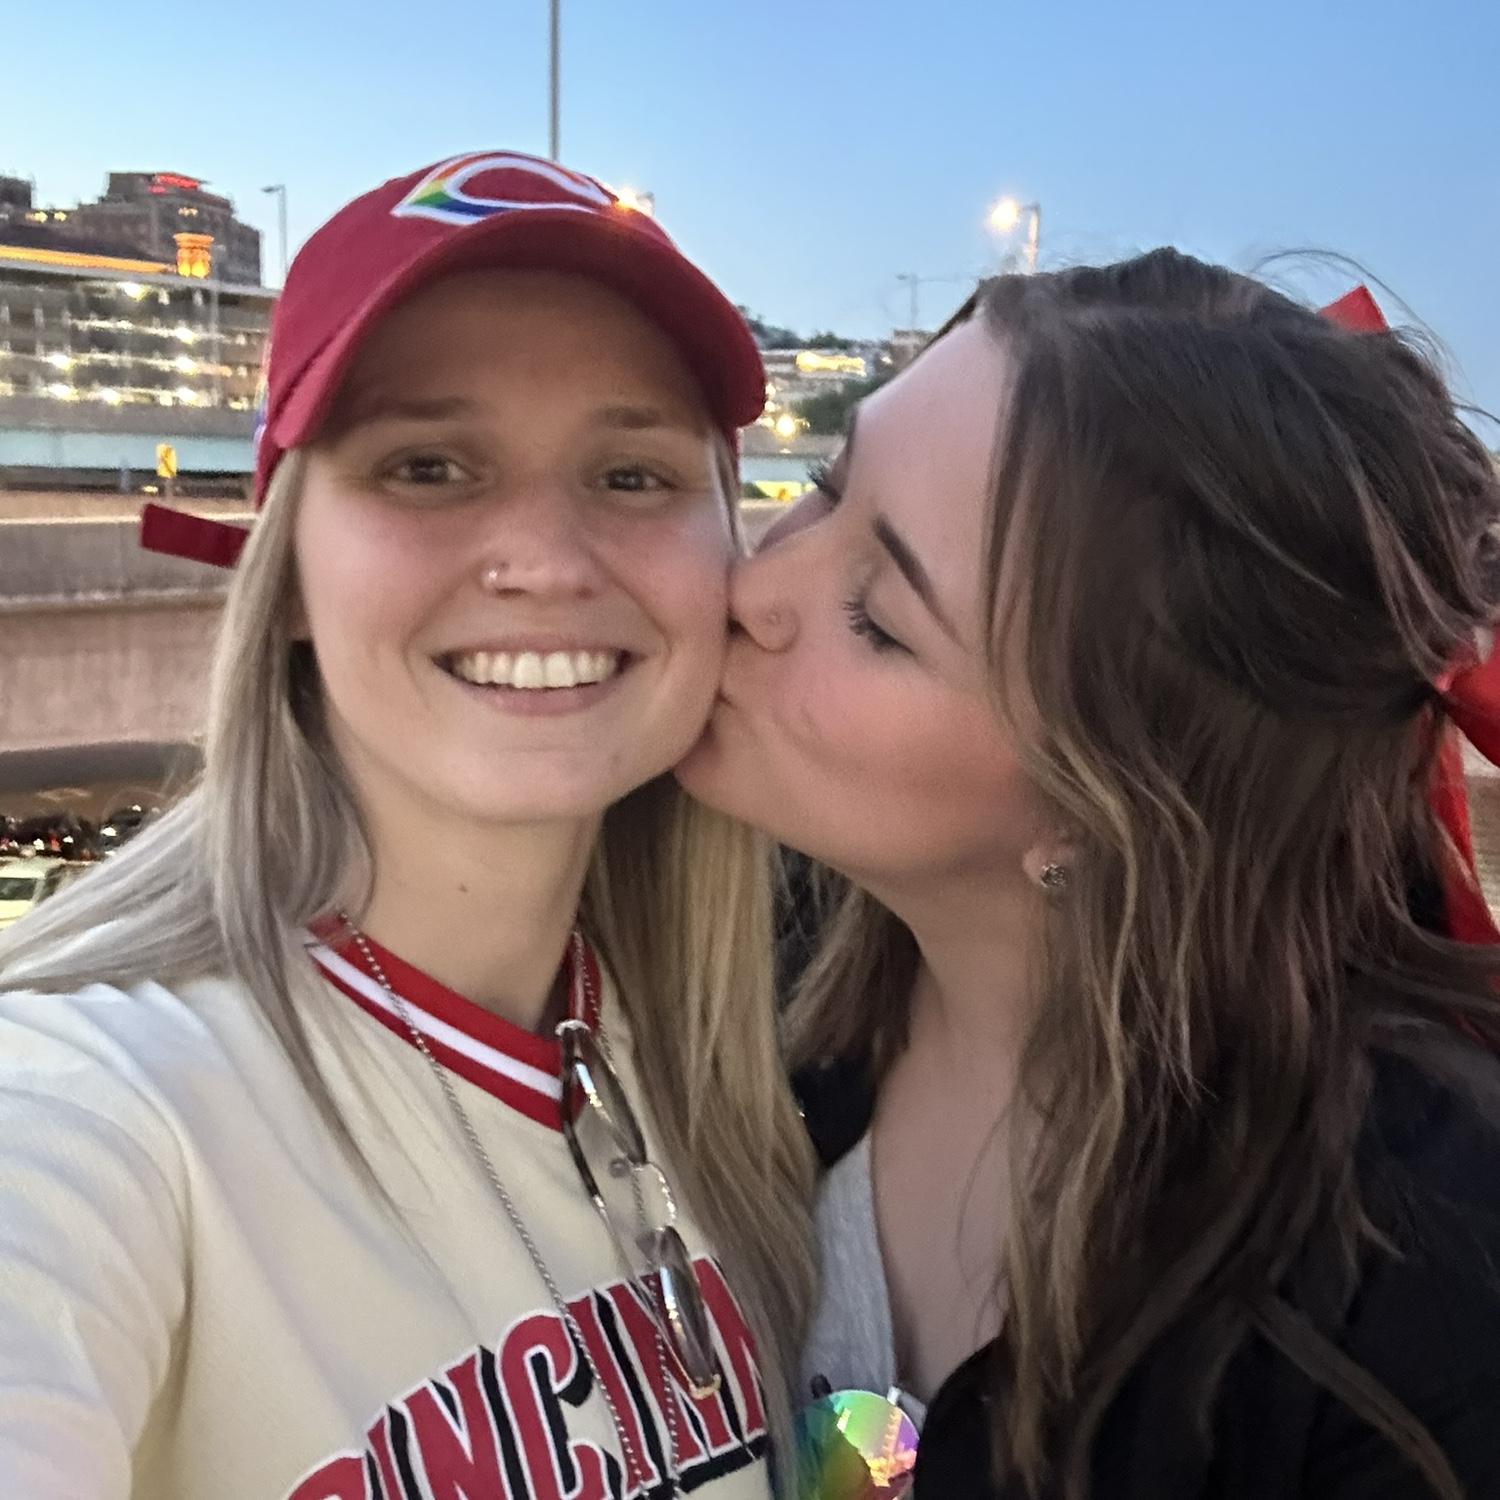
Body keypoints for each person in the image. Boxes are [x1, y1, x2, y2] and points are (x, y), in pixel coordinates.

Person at [0, 150, 815, 1500]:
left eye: (632, 476)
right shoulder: (92, 1100)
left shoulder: (732, 1057)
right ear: (291, 570)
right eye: (429, 466)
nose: (548, 562)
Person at [677, 250, 1500, 1498]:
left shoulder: (1419, 1277)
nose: (750, 585)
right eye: (828, 488)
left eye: (880, 619)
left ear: (1099, 800)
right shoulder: (729, 958)